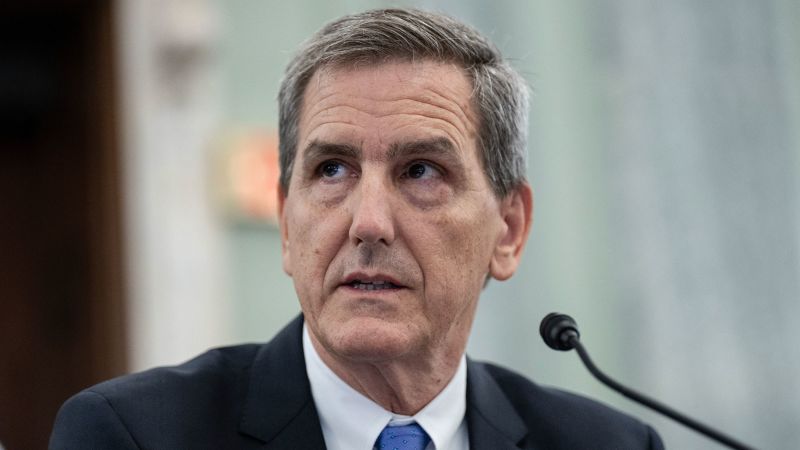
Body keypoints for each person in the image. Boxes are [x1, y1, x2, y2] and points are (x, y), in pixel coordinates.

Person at [50, 8, 663, 449]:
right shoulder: (132, 434)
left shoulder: (612, 443)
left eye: (420, 171)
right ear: (286, 223)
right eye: (332, 169)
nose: (368, 223)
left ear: (508, 229)